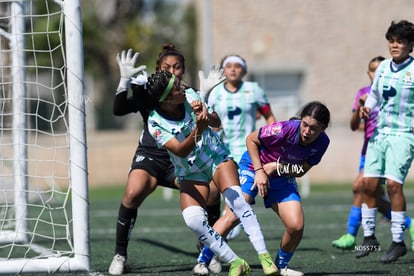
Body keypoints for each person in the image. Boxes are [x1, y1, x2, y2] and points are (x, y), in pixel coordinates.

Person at [146, 70, 278, 276]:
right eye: (177, 88)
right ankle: (237, 262)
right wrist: (198, 127)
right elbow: (181, 150)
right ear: (167, 100)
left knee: (237, 200)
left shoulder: (190, 95)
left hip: (215, 156)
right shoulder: (155, 122)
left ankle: (265, 258)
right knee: (193, 220)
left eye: (181, 83)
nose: (183, 88)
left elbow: (216, 123)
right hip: (189, 170)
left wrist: (206, 115)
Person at [108, 45, 223, 275]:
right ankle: (120, 254)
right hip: (152, 156)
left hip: (180, 161)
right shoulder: (149, 94)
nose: (173, 71)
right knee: (133, 191)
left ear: (183, 70)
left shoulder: (187, 93)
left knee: (211, 192)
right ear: (158, 71)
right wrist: (124, 80)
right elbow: (119, 109)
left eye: (177, 67)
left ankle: (207, 251)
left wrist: (204, 97)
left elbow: (213, 122)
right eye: (167, 67)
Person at [193, 54, 277, 273]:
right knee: (212, 195)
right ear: (223, 70)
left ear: (244, 70)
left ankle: (208, 253)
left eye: (237, 66)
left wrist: (276, 142)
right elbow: (204, 117)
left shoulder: (254, 90)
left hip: (248, 154)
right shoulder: (215, 91)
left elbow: (270, 118)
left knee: (237, 204)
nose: (232, 69)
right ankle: (212, 244)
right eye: (228, 66)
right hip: (220, 152)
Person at [331, 56, 414, 250]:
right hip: (369, 149)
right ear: (368, 73)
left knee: (360, 186)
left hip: (392, 145)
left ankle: (352, 234)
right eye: (371, 70)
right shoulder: (364, 94)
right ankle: (406, 224)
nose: (375, 73)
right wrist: (361, 107)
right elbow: (354, 126)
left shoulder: (397, 90)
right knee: (369, 192)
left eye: (378, 69)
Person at [356, 20, 414, 263]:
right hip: (379, 134)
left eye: (400, 41)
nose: (394, 45)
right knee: (367, 185)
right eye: (391, 41)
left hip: (403, 135)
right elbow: (374, 95)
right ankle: (369, 238)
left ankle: (398, 242)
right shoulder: (382, 68)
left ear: (410, 45)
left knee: (393, 186)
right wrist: (366, 109)